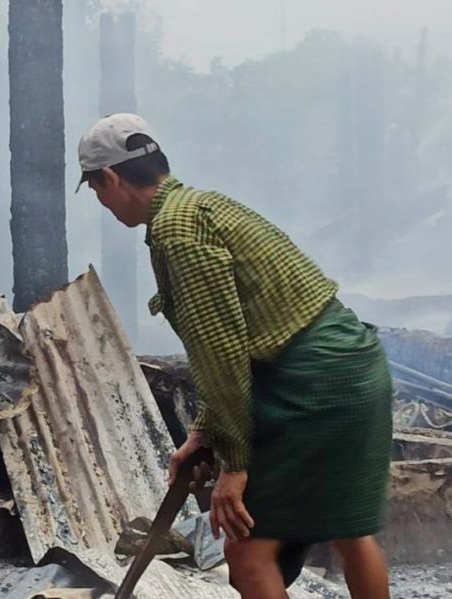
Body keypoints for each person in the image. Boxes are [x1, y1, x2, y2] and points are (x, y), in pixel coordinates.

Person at [76, 113, 393, 599]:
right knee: (350, 530)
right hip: (356, 368)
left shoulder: (176, 231)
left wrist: (234, 465)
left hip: (310, 384)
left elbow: (221, 354)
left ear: (112, 178)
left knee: (246, 551)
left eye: (96, 189)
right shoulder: (204, 205)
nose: (101, 201)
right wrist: (205, 431)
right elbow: (235, 342)